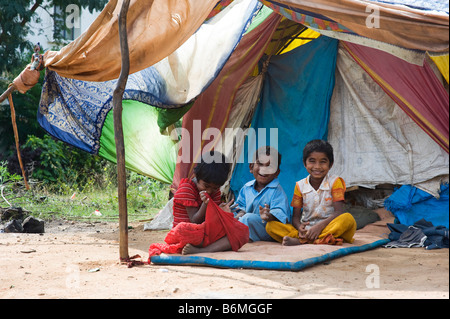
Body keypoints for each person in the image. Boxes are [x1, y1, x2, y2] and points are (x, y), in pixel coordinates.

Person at [266, 139, 357, 246]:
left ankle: (303, 241)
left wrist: (319, 227)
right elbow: (295, 217)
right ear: (305, 163)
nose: (317, 167)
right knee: (270, 226)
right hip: (308, 228)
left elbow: (338, 212)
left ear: (330, 164)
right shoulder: (300, 185)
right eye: (312, 161)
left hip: (328, 226)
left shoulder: (335, 182)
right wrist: (300, 227)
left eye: (323, 162)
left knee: (348, 219)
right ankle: (318, 239)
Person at [170, 151, 247, 255]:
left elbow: (211, 221)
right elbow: (194, 221)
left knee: (241, 231)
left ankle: (203, 250)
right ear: (197, 175)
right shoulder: (186, 188)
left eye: (215, 188)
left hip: (205, 234)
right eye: (206, 186)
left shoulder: (215, 192)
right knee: (183, 228)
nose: (210, 191)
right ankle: (212, 247)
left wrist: (224, 213)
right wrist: (205, 204)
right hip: (190, 233)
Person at [233, 146, 291, 242]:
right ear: (251, 167)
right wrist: (238, 214)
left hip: (267, 231)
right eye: (260, 164)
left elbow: (281, 216)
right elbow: (240, 207)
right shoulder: (246, 188)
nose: (264, 169)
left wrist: (269, 215)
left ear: (276, 172)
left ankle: (240, 238)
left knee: (248, 218)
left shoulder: (277, 191)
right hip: (247, 225)